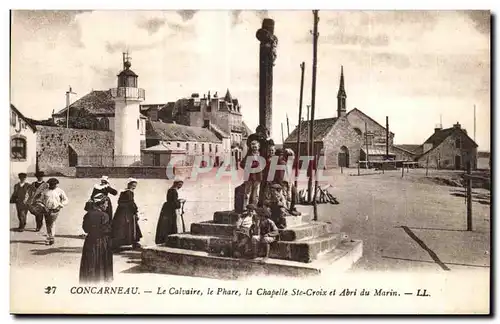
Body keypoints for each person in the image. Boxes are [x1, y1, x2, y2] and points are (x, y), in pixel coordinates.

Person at [79, 193, 114, 284]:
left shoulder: (88, 214)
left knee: (90, 262)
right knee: (101, 262)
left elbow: (85, 229)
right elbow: (106, 230)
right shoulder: (104, 215)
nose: (107, 206)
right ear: (101, 204)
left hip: (90, 241)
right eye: (106, 204)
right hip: (102, 242)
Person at [112, 178, 142, 250]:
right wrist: (135, 210)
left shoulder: (123, 192)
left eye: (135, 186)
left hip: (120, 212)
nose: (134, 187)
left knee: (121, 228)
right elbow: (131, 202)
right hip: (127, 213)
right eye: (133, 185)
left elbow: (119, 202)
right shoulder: (129, 192)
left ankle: (118, 243)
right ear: (129, 185)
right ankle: (133, 242)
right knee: (130, 227)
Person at [37, 178, 69, 245]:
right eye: (51, 184)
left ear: (56, 184)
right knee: (48, 224)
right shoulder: (45, 191)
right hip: (47, 210)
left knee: (51, 223)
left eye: (54, 184)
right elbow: (39, 201)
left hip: (55, 210)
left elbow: (66, 200)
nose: (52, 186)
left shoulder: (60, 191)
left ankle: (50, 238)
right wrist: (44, 207)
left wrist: (60, 205)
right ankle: (51, 237)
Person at [155, 178, 185, 244]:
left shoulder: (170, 190)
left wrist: (178, 201)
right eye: (179, 185)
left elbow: (172, 200)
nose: (180, 186)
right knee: (171, 224)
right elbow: (174, 203)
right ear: (176, 184)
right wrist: (180, 201)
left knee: (166, 225)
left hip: (167, 209)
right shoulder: (174, 191)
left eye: (181, 185)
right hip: (170, 211)